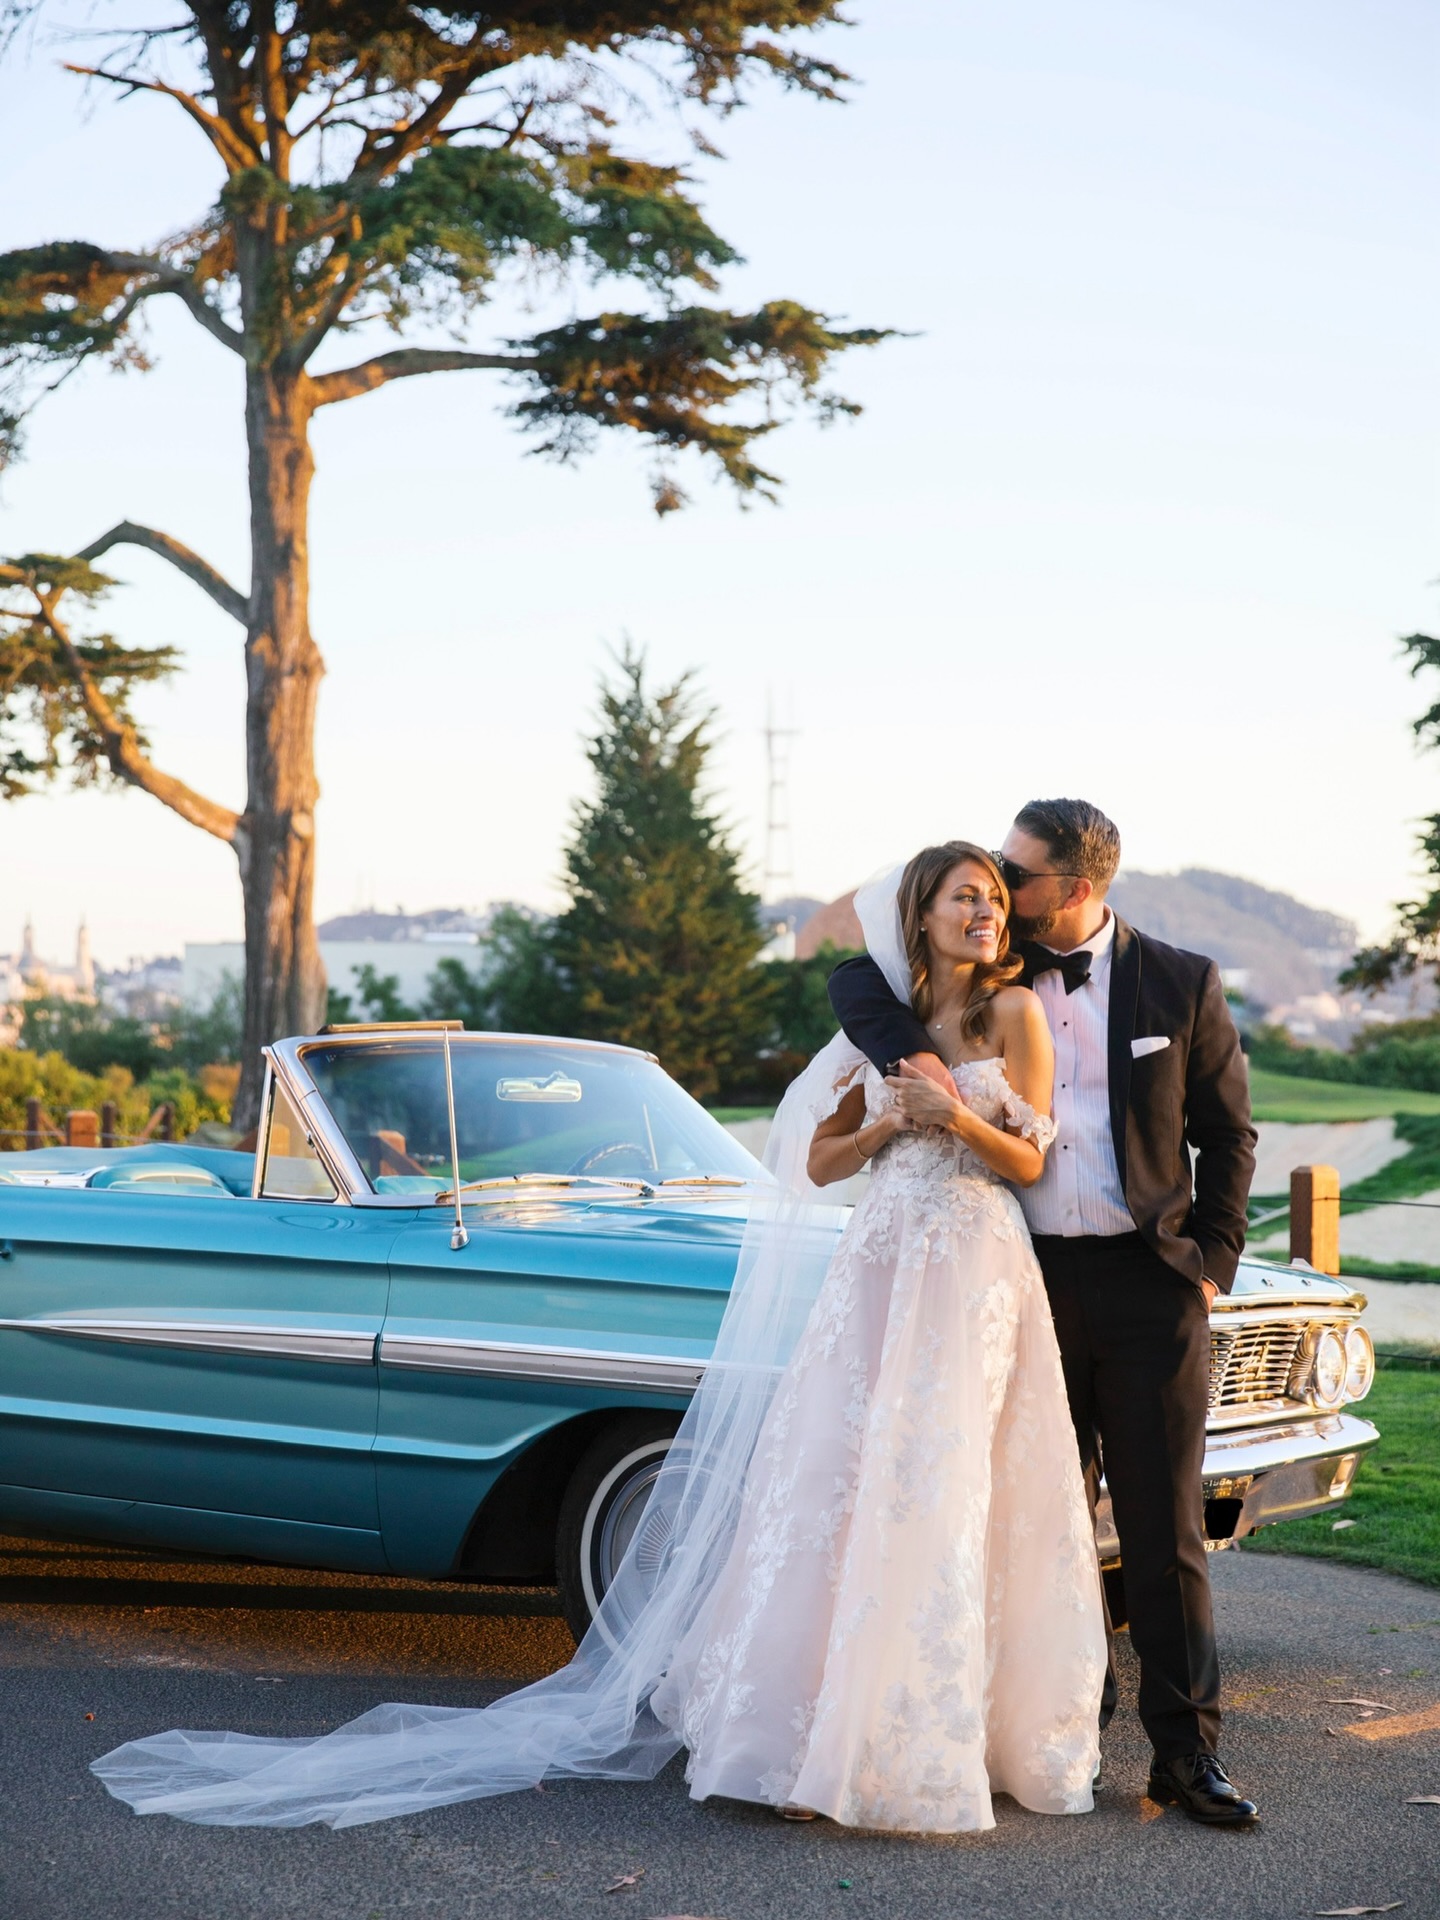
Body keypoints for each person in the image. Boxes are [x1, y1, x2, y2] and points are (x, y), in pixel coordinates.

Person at [91, 845, 1104, 1834]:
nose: (986, 914)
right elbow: (822, 1160)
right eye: (965, 898)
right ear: (921, 914)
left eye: (993, 901)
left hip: (971, 1264)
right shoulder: (875, 1029)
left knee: (947, 1479)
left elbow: (1029, 1158)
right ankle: (817, 1737)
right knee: (842, 1479)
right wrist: (887, 1125)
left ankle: (937, 1737)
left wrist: (949, 1117)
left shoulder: (1015, 1014)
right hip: (880, 1261)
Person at [828, 798, 1260, 1829]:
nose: (998, 886)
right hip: (1017, 1278)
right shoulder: (987, 965)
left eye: (1014, 874)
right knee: (1030, 1515)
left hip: (1149, 1283)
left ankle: (1185, 1754)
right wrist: (917, 1069)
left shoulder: (1182, 981)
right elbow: (853, 975)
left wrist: (1209, 1266)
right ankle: (1052, 1733)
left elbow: (1229, 1135)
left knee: (1163, 1527)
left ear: (1075, 887)